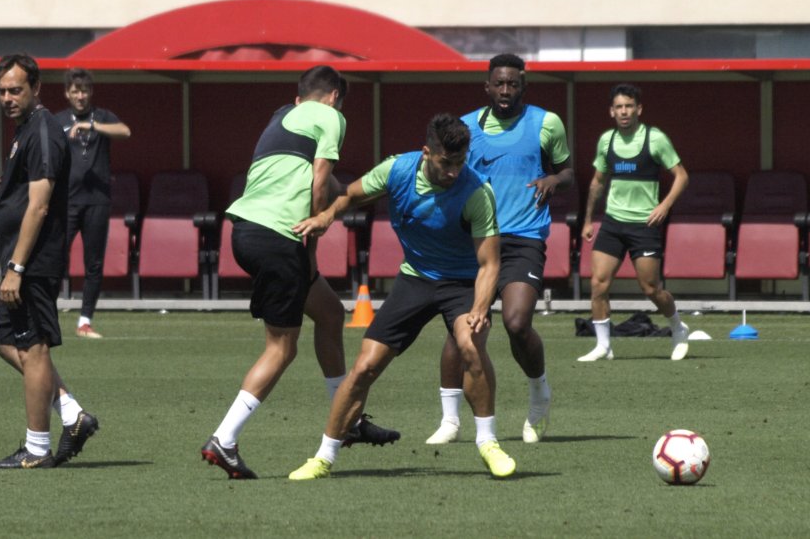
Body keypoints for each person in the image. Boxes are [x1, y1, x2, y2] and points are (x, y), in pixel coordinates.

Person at [288, 114, 515, 481]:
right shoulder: (397, 170)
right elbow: (350, 194)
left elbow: (490, 264)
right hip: (415, 279)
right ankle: (323, 457)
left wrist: (479, 307)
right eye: (446, 163)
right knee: (364, 367)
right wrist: (327, 215)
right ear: (427, 153)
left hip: (460, 284)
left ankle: (488, 443)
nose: (454, 171)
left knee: (471, 345)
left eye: (460, 162)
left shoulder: (476, 191)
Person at [200, 65, 398, 481]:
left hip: (248, 233)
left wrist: (341, 207)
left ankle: (348, 422)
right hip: (277, 238)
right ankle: (224, 438)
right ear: (332, 98)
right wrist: (323, 218)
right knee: (281, 348)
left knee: (328, 312)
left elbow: (326, 182)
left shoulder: (281, 117)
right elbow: (321, 178)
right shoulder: (330, 115)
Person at [425, 54, 573, 446]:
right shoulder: (468, 127)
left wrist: (553, 179)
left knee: (517, 322)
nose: (505, 91)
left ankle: (539, 393)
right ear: (487, 86)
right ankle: (450, 420)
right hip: (475, 239)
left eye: (512, 84)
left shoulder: (546, 123)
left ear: (522, 85)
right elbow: (450, 174)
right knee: (462, 329)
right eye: (499, 84)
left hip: (524, 236)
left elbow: (569, 171)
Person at [0, 53, 98, 469]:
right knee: (8, 344)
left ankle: (37, 449)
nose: (8, 98)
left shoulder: (43, 130)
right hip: (18, 259)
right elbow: (27, 194)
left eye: (16, 90)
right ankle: (71, 413)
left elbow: (41, 206)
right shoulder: (25, 131)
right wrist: (0, 186)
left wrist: (17, 268)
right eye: (3, 91)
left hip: (33, 262)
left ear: (36, 89)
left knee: (34, 347)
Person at [579, 83, 690, 362]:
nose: (624, 111)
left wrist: (664, 205)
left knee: (651, 288)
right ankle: (603, 345)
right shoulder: (607, 141)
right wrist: (589, 220)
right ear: (611, 112)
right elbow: (597, 182)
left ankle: (678, 327)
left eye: (629, 106)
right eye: (619, 107)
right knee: (598, 285)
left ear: (638, 109)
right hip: (613, 223)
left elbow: (682, 176)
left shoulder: (655, 139)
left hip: (644, 225)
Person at [55, 67, 131, 339]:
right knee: (54, 258)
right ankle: (46, 314)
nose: (80, 95)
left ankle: (85, 321)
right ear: (67, 93)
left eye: (84, 90)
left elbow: (125, 131)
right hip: (66, 201)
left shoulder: (102, 117)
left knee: (94, 264)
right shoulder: (58, 120)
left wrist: (92, 126)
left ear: (90, 93)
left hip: (97, 201)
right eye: (75, 91)